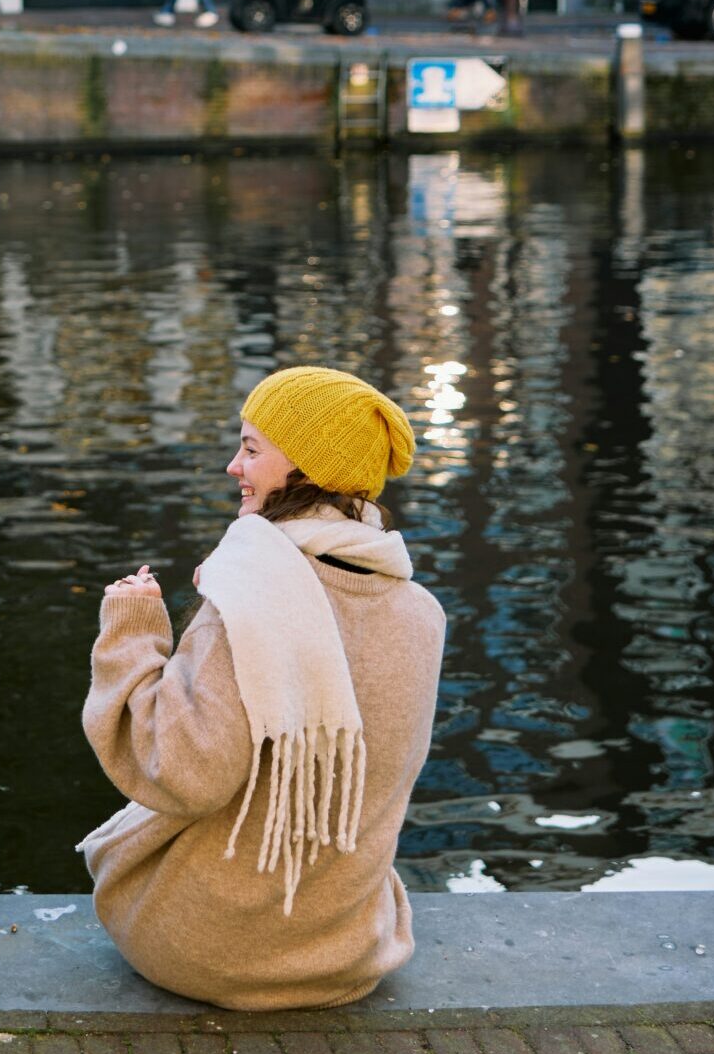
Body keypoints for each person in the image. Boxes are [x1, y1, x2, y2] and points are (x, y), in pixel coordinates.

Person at [79, 366, 445, 1011]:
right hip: (348, 951)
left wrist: (133, 632)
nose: (234, 466)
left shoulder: (250, 595)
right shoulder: (421, 613)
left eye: (251, 449)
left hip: (204, 948)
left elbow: (181, 772)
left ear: (306, 467)